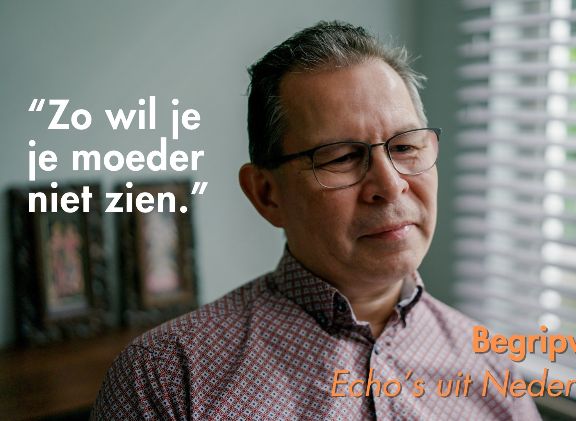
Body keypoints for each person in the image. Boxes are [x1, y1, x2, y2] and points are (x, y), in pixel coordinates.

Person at [92, 21, 540, 420]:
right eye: (342, 157)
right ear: (266, 195)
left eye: (405, 147)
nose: (390, 185)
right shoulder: (166, 379)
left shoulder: (490, 367)